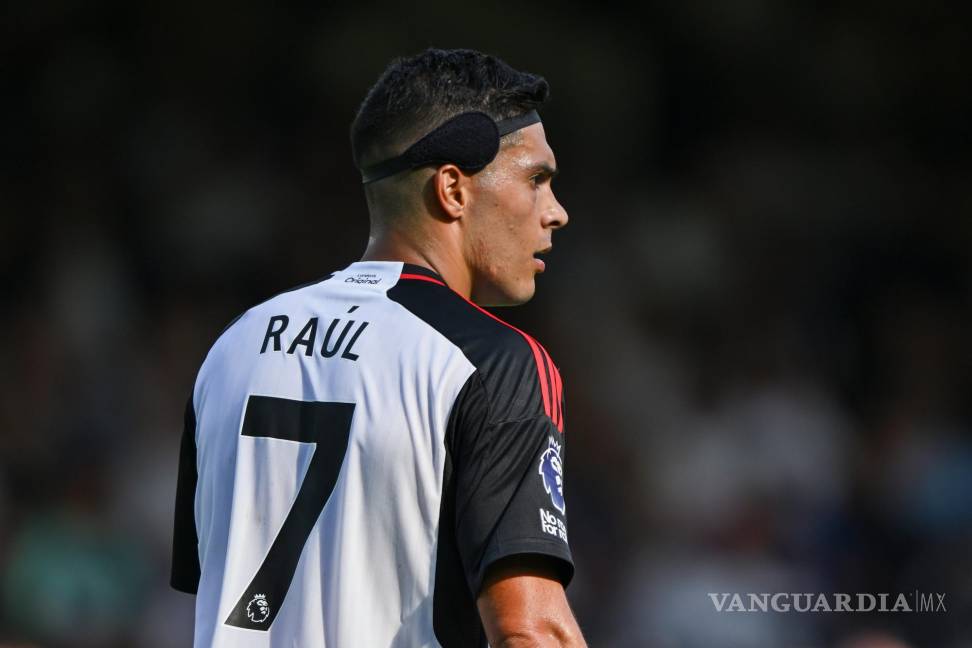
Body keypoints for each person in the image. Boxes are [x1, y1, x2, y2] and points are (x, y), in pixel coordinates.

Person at [171, 47, 585, 648]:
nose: (557, 212)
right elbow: (531, 631)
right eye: (536, 180)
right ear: (453, 189)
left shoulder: (232, 348)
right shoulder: (491, 362)